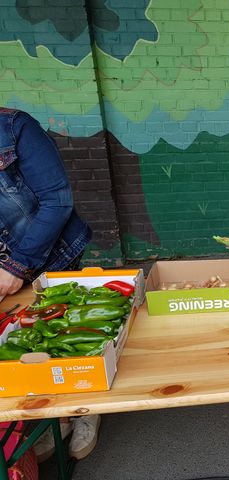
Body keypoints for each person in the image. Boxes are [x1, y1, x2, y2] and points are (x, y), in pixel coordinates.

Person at [0, 107, 100, 462]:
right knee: (23, 343)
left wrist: (15, 266)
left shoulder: (14, 127)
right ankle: (54, 417)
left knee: (67, 335)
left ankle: (85, 409)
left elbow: (57, 200)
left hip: (48, 254)